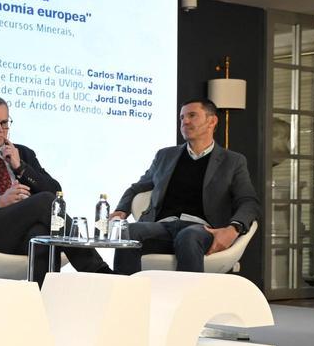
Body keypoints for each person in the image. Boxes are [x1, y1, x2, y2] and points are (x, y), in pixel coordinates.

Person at [0, 94, 111, 278]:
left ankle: (42, 298)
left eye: (5, 123)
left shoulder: (23, 153)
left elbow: (56, 193)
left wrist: (21, 168)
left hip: (21, 233)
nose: (0, 130)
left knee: (40, 235)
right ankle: (99, 272)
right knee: (44, 201)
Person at [110, 99, 259, 273]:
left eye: (192, 115)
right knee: (128, 231)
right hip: (162, 227)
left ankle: (189, 299)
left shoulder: (233, 161)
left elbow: (248, 201)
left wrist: (233, 228)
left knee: (188, 236)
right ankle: (125, 296)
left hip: (202, 230)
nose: (185, 122)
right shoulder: (165, 155)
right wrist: (121, 210)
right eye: (182, 118)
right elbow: (137, 188)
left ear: (212, 121)